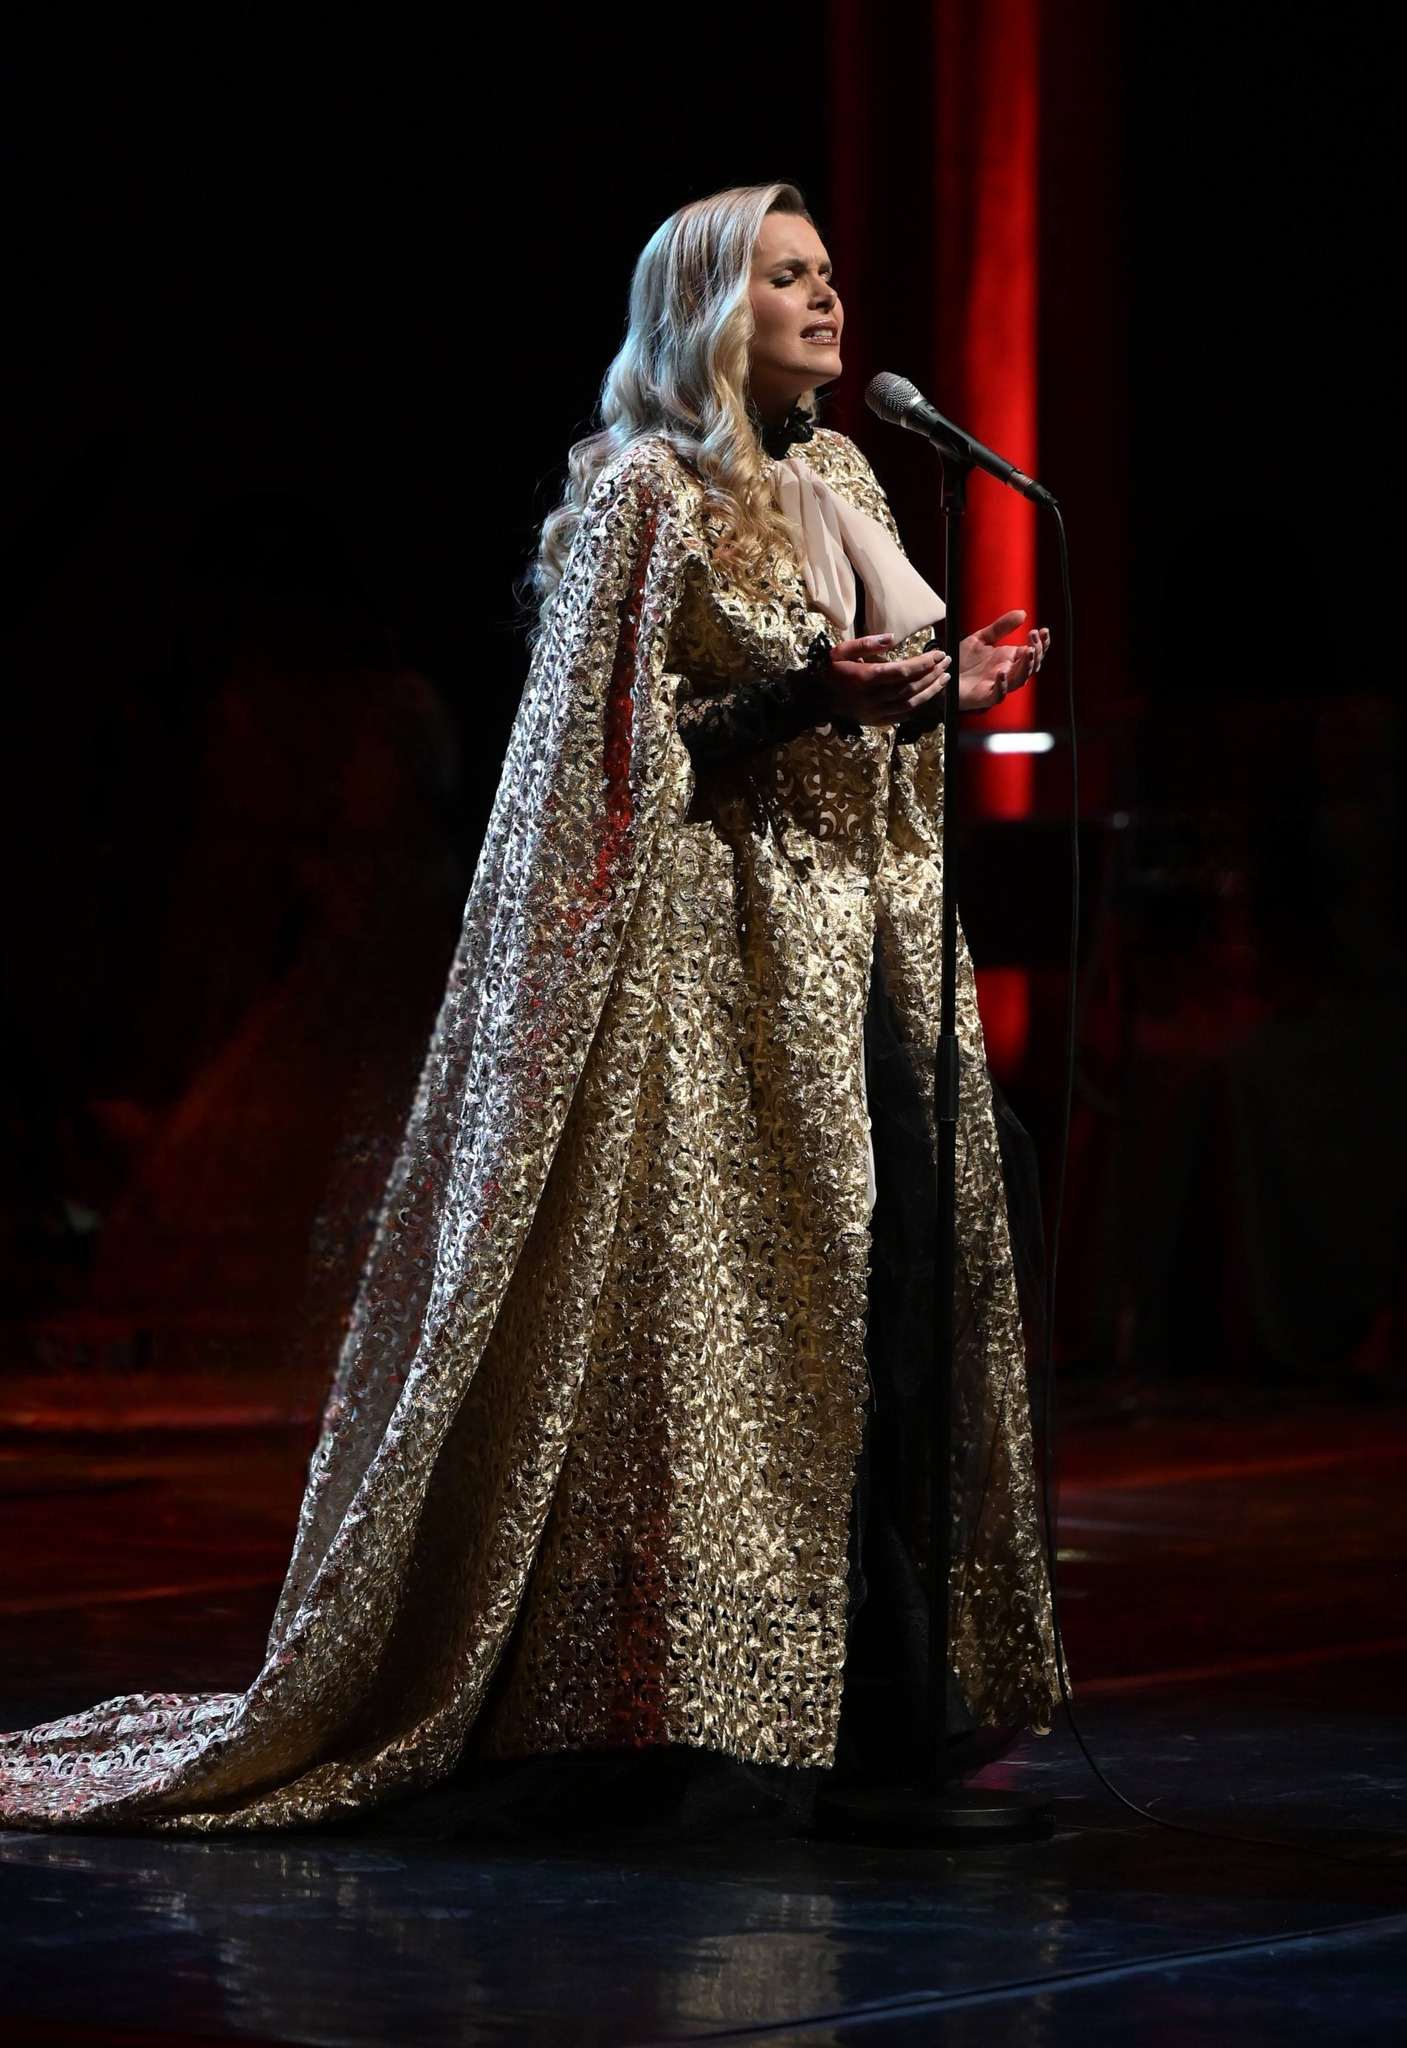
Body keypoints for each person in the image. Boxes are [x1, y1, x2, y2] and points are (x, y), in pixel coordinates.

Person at [0, 180, 1060, 1838]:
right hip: (710, 982)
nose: (826, 300)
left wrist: (947, 694)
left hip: (855, 954)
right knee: (750, 1327)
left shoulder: (846, 476)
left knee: (900, 1298)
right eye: (787, 278)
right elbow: (601, 756)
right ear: (709, 310)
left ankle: (885, 1708)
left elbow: (853, 714)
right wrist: (802, 697)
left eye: (828, 274)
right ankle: (720, 1717)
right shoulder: (647, 490)